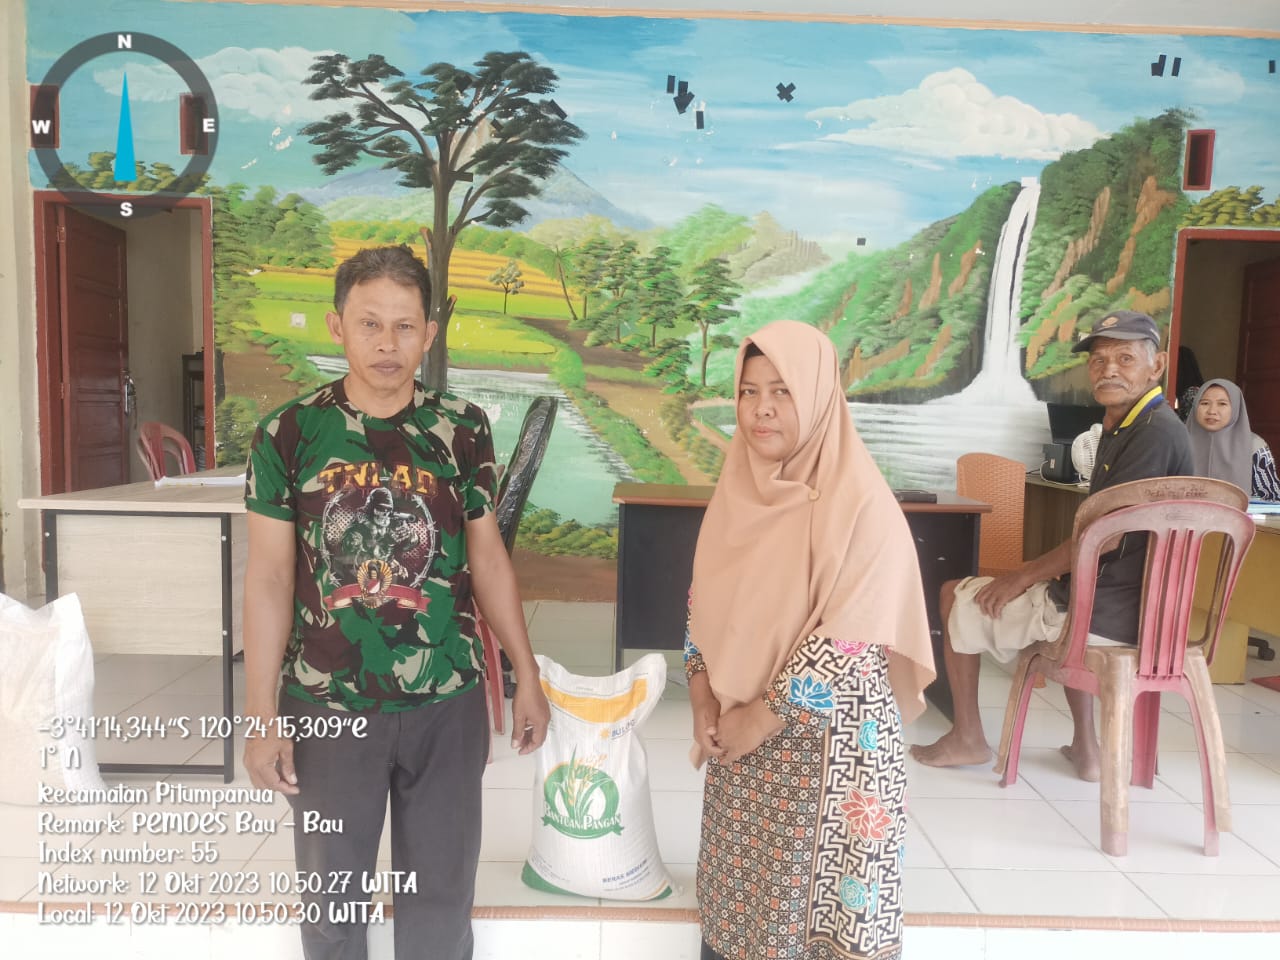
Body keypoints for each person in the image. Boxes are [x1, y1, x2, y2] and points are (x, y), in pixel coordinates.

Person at [241, 245, 550, 960]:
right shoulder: (288, 433)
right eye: (370, 323)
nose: (388, 343)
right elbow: (269, 579)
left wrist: (527, 674)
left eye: (405, 326)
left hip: (447, 698)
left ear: (429, 333)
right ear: (337, 327)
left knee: (441, 901)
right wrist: (261, 715)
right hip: (328, 702)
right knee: (331, 905)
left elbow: (487, 559)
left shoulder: (462, 427)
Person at [685, 320, 935, 960]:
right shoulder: (738, 492)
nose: (761, 408)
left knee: (816, 924)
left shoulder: (863, 505)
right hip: (741, 744)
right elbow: (704, 600)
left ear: (820, 396)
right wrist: (702, 695)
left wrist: (761, 717)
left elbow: (854, 636)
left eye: (783, 391)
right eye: (748, 392)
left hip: (832, 748)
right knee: (741, 916)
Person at [911, 310, 1193, 781]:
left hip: (1109, 614)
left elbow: (1105, 538)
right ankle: (1086, 747)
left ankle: (968, 737)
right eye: (1098, 361)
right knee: (1066, 587)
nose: (1109, 370)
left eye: (1125, 358)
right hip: (1124, 605)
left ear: (1156, 366)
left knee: (951, 594)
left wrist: (1021, 576)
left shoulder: (1152, 433)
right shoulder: (1134, 424)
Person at [1187, 378, 1280, 501]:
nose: (1212, 411)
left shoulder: (1254, 446)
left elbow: (1272, 498)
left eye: (1222, 404)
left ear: (1236, 407)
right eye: (1204, 403)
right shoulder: (1179, 442)